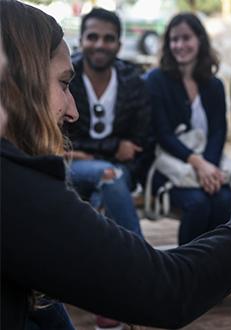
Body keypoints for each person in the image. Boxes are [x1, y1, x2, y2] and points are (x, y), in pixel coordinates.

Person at [0, 2, 231, 330]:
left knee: (218, 199)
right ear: (15, 81)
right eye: (62, 83)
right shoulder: (16, 193)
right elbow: (169, 288)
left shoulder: (210, 84)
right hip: (173, 171)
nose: (73, 110)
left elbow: (217, 130)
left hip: (199, 168)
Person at [145, 13, 231, 245]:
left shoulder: (213, 85)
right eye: (174, 40)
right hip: (166, 165)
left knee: (223, 200)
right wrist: (199, 165)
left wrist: (210, 169)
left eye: (186, 38)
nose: (180, 45)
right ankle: (186, 271)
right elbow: (163, 134)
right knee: (198, 204)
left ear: (200, 41)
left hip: (206, 163)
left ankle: (215, 266)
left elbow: (218, 131)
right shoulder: (156, 80)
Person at [64, 8, 150, 239]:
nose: (100, 44)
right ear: (81, 41)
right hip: (72, 165)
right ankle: (142, 263)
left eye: (108, 38)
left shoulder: (133, 81)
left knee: (109, 182)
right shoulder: (66, 78)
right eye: (92, 36)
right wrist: (113, 147)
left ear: (119, 45)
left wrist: (87, 152)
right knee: (110, 174)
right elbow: (60, 139)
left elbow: (139, 143)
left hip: (120, 171)